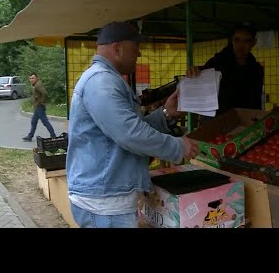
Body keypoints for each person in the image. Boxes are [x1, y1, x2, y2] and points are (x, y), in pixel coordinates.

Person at [66, 21, 199, 228]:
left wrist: (165, 114)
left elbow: (128, 127)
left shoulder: (107, 80)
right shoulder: (102, 82)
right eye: (135, 48)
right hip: (105, 204)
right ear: (117, 48)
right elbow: (129, 134)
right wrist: (178, 146)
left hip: (108, 197)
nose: (138, 54)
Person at [186, 22, 264, 121]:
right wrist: (195, 70)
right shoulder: (218, 62)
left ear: (254, 42)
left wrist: (256, 119)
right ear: (232, 40)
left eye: (246, 41)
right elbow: (202, 73)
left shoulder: (256, 70)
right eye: (237, 40)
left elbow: (256, 101)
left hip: (244, 121)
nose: (241, 45)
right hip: (217, 121)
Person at [22, 73, 57, 141]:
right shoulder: (35, 84)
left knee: (45, 122)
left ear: (36, 78)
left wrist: (42, 102)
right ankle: (30, 136)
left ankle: (53, 136)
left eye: (33, 78)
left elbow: (44, 93)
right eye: (30, 78)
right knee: (34, 121)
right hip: (37, 106)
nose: (31, 80)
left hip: (39, 106)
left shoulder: (37, 85)